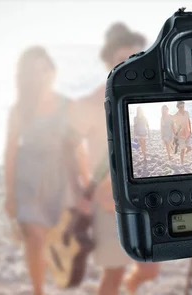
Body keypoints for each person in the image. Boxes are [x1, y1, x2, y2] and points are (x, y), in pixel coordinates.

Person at [71, 23, 159, 295]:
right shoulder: (91, 101)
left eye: (135, 57)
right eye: (122, 59)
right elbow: (73, 150)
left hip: (144, 197)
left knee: (149, 268)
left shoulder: (147, 96)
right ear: (109, 61)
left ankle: (132, 286)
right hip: (108, 202)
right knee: (112, 275)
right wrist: (89, 191)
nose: (130, 65)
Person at [3, 46, 87, 295]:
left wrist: (85, 187)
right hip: (28, 179)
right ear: (26, 76)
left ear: (53, 70)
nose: (41, 76)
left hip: (60, 179)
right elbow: (10, 153)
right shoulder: (19, 109)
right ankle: (38, 290)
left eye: (45, 69)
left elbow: (79, 149)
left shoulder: (68, 105)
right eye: (34, 71)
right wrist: (9, 195)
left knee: (55, 240)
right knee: (35, 240)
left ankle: (51, 279)